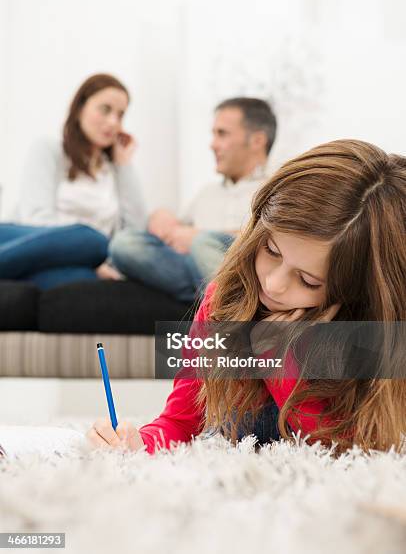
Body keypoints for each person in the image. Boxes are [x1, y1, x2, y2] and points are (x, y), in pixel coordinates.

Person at [88, 139, 406, 455]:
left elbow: (348, 453)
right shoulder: (225, 300)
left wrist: (277, 360)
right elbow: (179, 423)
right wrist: (140, 442)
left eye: (308, 280)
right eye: (271, 250)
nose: (274, 283)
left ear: (355, 292)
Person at [109, 97, 277, 303]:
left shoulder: (278, 187)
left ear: (257, 141)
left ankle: (227, 304)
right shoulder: (207, 192)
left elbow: (277, 241)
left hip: (247, 274)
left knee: (203, 244)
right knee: (126, 243)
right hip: (197, 272)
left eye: (222, 134)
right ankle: (217, 303)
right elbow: (177, 229)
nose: (212, 145)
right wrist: (161, 217)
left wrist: (198, 237)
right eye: (213, 134)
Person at [0, 73, 146, 289]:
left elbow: (134, 233)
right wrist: (81, 251)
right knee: (92, 240)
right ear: (80, 108)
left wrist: (124, 165)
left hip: (82, 262)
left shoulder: (113, 171)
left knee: (87, 281)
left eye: (120, 115)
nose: (113, 122)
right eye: (105, 109)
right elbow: (36, 217)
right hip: (23, 240)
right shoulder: (49, 149)